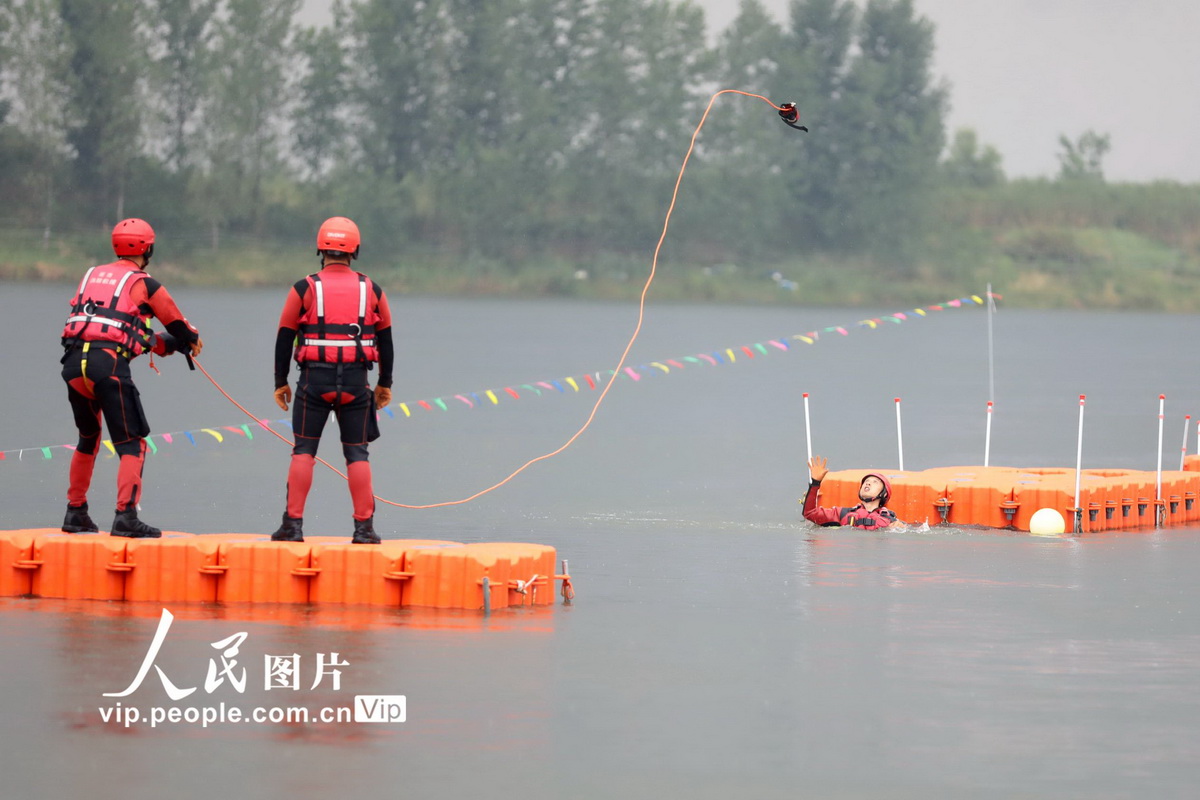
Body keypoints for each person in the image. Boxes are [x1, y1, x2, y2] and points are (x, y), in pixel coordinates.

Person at [60, 218, 203, 538]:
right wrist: (190, 340)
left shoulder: (92, 275)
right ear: (148, 248)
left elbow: (123, 332)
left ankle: (75, 512)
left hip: (73, 367)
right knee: (132, 442)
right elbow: (178, 325)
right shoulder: (145, 284)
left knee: (89, 437)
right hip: (106, 369)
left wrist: (164, 344)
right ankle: (125, 516)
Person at [271, 216, 393, 544]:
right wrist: (385, 384)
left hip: (314, 384)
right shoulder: (373, 290)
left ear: (320, 249)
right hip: (356, 385)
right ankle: (364, 530)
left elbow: (284, 337)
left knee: (303, 451)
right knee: (357, 454)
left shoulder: (304, 288)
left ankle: (292, 527)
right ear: (354, 250)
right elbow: (387, 341)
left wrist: (280, 381)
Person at [801, 455, 898, 529]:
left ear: (884, 494)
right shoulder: (842, 513)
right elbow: (810, 513)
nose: (868, 484)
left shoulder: (891, 520)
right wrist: (815, 483)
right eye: (866, 482)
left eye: (875, 482)